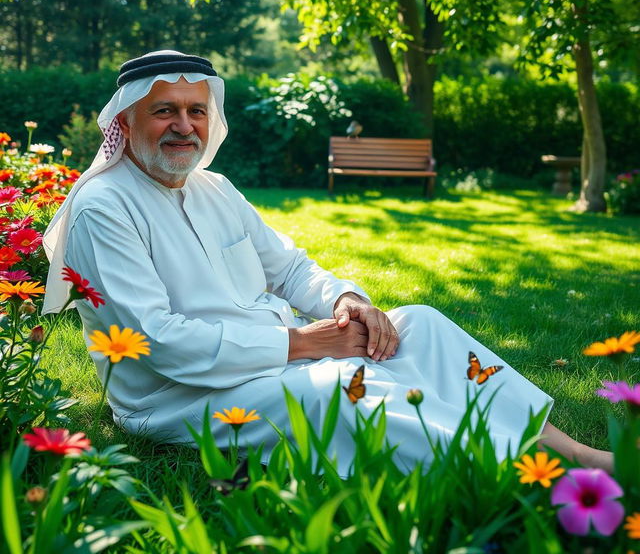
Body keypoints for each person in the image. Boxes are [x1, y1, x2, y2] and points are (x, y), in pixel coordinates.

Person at [42, 50, 612, 476]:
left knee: (422, 326)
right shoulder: (103, 207)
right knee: (346, 385)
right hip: (178, 396)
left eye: (195, 111)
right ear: (124, 122)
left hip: (272, 354)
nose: (184, 126)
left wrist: (349, 303)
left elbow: (289, 269)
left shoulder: (214, 187)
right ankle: (509, 477)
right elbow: (154, 341)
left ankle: (578, 455)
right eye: (164, 111)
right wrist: (310, 344)